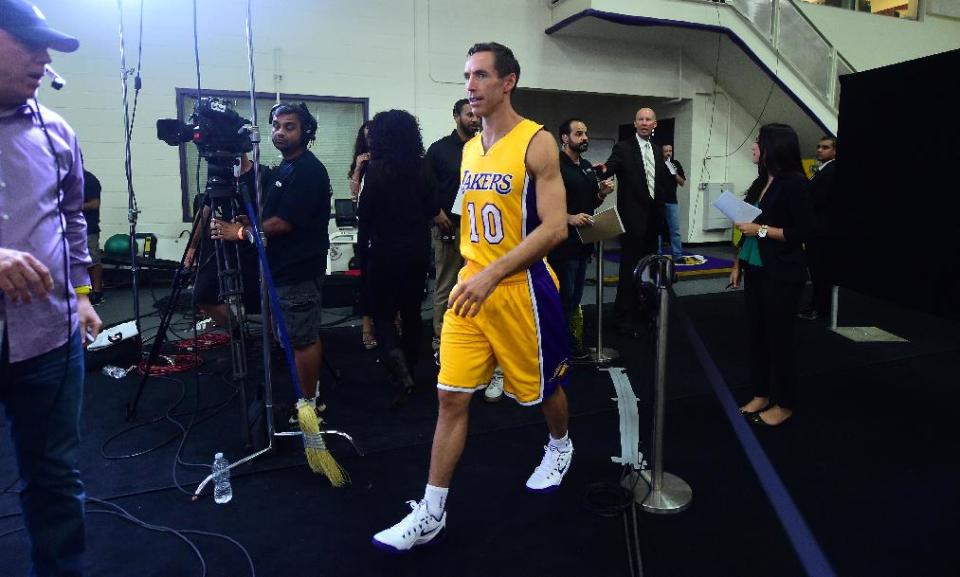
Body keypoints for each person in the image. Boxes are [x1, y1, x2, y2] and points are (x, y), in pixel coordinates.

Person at [373, 42, 571, 552]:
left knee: (542, 389)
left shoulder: (538, 142)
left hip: (520, 289)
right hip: (471, 288)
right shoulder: (468, 148)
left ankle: (560, 444)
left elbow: (553, 230)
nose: (471, 85)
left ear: (508, 82)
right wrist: (472, 273)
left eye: (481, 75)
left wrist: (492, 274)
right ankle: (432, 510)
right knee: (449, 397)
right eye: (467, 76)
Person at [0, 1, 103, 575]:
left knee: (55, 481)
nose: (43, 58)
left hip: (48, 340)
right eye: (28, 42)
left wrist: (83, 296)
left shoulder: (58, 132)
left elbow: (72, 220)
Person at [213, 102, 331, 414]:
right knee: (289, 335)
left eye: (289, 126)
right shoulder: (286, 166)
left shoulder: (308, 170)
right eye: (276, 126)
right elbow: (272, 214)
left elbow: (283, 223)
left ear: (305, 131)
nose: (280, 132)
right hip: (278, 267)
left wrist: (239, 231)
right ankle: (306, 391)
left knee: (301, 339)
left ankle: (310, 404)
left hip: (297, 270)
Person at [729, 123, 814, 428]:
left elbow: (803, 232)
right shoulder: (761, 181)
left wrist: (760, 230)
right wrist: (738, 263)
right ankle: (761, 393)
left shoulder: (794, 184)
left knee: (780, 339)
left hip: (782, 272)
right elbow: (746, 224)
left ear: (773, 148)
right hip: (756, 267)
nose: (753, 147)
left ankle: (785, 403)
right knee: (757, 336)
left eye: (758, 142)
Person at [357, 109, 436, 406]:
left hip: (383, 250)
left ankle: (399, 369)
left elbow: (365, 215)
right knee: (413, 311)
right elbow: (431, 208)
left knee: (383, 315)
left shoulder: (375, 169)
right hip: (416, 249)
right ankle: (411, 367)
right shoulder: (423, 166)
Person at [599, 107, 667, 336]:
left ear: (654, 124)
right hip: (632, 221)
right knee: (628, 271)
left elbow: (658, 183)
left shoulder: (658, 151)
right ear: (635, 123)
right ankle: (622, 318)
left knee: (648, 271)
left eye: (649, 119)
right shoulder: (623, 148)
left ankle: (643, 312)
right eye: (641, 119)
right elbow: (611, 165)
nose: (645, 122)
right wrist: (604, 170)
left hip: (653, 222)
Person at [547, 118, 612, 359]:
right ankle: (557, 347)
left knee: (574, 298)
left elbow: (590, 201)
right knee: (563, 297)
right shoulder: (553, 166)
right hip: (563, 244)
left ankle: (568, 341)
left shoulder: (585, 166)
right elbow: (542, 206)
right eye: (578, 133)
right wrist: (569, 218)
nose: (584, 137)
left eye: (585, 133)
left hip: (584, 243)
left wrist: (601, 194)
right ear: (565, 138)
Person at [426, 98, 478, 364]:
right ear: (456, 116)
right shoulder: (439, 150)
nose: (474, 119)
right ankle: (441, 341)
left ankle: (471, 339)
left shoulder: (485, 147)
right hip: (448, 228)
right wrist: (436, 213)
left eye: (476, 114)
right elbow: (425, 188)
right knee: (447, 287)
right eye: (469, 114)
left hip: (478, 230)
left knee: (477, 286)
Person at [798, 135, 838, 321]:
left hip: (822, 232)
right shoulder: (822, 170)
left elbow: (817, 199)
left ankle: (819, 309)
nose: (819, 150)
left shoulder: (832, 171)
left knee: (820, 272)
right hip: (817, 230)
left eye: (825, 147)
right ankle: (817, 306)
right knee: (816, 272)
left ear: (835, 151)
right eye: (818, 146)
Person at [348, 120, 377, 349]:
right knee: (368, 278)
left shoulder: (389, 161)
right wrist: (358, 168)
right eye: (366, 136)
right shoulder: (362, 163)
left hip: (387, 229)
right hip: (366, 228)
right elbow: (354, 197)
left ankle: (394, 318)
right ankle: (367, 325)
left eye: (373, 136)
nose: (370, 141)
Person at [658, 144, 687, 263]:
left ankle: (677, 255)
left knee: (675, 229)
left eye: (670, 151)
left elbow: (682, 183)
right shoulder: (657, 164)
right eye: (666, 151)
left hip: (672, 201)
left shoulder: (676, 164)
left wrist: (674, 172)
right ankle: (657, 254)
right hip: (658, 202)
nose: (668, 153)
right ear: (662, 152)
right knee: (657, 229)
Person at [81, 167, 104, 305]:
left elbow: (95, 204)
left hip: (88, 228)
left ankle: (97, 293)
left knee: (92, 261)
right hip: (68, 229)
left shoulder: (89, 179)